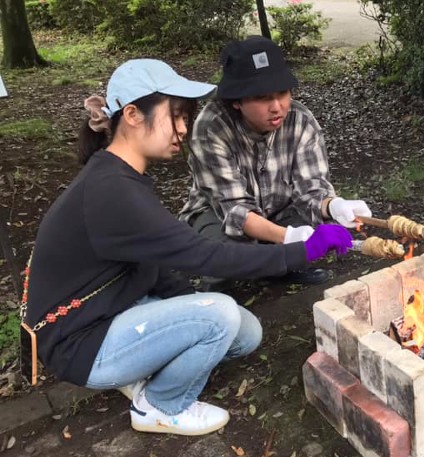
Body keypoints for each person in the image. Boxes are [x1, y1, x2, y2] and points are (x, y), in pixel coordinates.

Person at [23, 59, 352, 436]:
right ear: (132, 115)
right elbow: (207, 255)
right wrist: (303, 249)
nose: (183, 129)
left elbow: (152, 262)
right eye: (175, 116)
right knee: (221, 316)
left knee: (245, 332)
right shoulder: (111, 191)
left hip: (112, 310)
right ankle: (159, 405)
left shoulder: (121, 176)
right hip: (79, 342)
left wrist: (190, 304)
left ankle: (138, 366)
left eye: (186, 117)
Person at [179, 36, 371, 286]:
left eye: (283, 93)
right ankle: (239, 277)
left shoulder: (300, 121)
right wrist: (290, 237)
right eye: (262, 97)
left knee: (314, 225)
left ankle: (279, 264)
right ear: (236, 100)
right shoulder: (212, 128)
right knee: (225, 258)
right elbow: (236, 210)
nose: (277, 107)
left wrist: (332, 205)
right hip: (218, 214)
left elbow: (310, 188)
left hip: (280, 208)